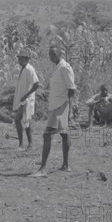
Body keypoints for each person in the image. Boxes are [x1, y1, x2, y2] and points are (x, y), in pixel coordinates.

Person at [31, 45, 76, 177]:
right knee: (64, 134)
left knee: (47, 135)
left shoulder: (64, 67)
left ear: (60, 54)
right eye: (50, 54)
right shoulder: (57, 68)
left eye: (54, 54)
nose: (52, 57)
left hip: (61, 106)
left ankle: (43, 169)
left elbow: (71, 89)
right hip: (57, 105)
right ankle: (66, 166)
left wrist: (68, 109)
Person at [12, 48, 40, 151]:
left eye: (21, 59)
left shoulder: (30, 70)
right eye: (18, 58)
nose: (19, 61)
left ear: (26, 59)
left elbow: (37, 84)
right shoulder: (23, 69)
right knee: (24, 121)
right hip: (22, 100)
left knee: (23, 121)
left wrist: (26, 95)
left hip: (27, 100)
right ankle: (26, 144)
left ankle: (26, 144)